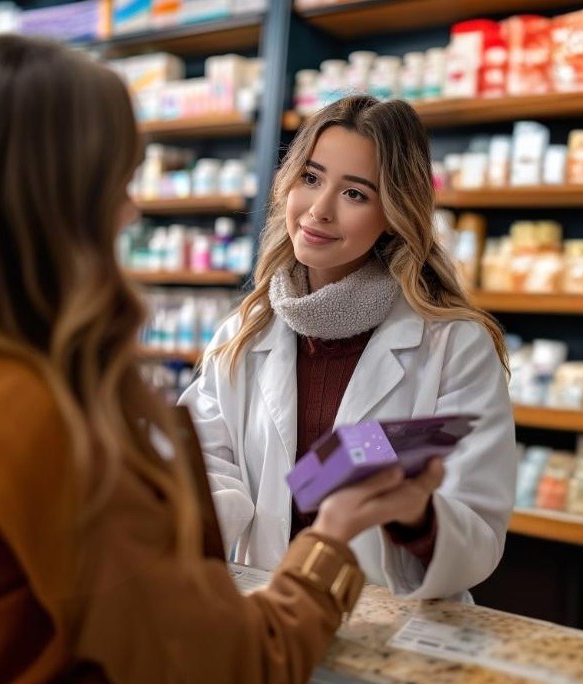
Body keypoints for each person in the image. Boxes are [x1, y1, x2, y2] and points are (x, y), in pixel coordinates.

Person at [0, 35, 427, 684]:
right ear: (52, 203)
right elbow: (228, 671)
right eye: (115, 182)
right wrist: (334, 535)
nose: (130, 209)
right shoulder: (30, 411)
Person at [180, 95, 518, 602]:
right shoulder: (243, 333)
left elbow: (479, 536)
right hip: (268, 611)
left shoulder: (454, 345)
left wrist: (413, 512)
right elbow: (207, 467)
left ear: (395, 213)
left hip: (389, 629)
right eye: (310, 178)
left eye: (355, 194)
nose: (318, 209)